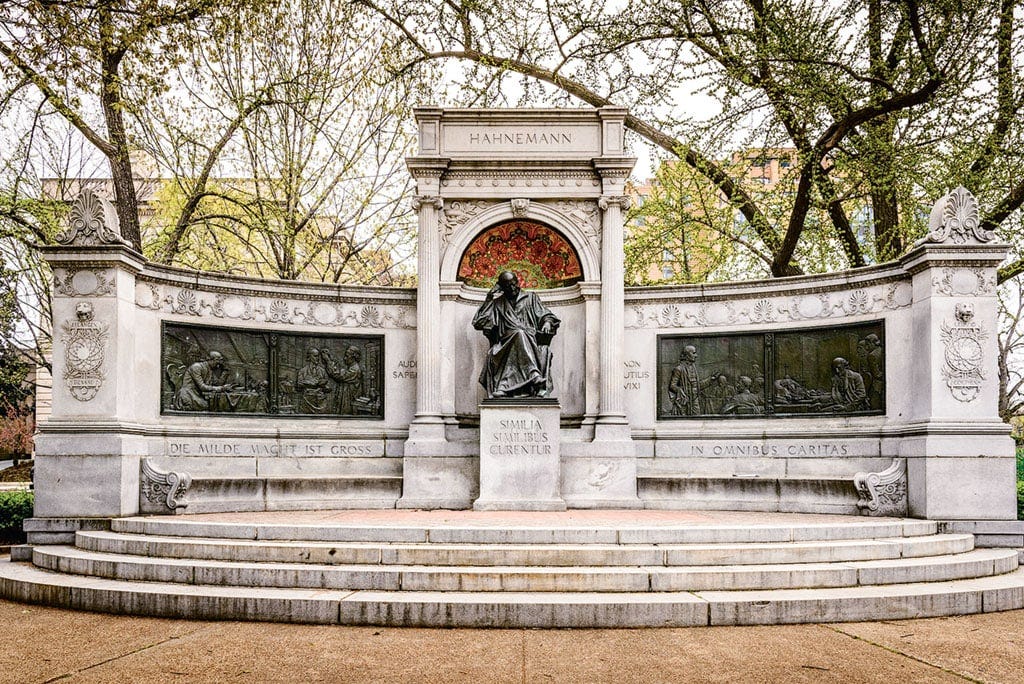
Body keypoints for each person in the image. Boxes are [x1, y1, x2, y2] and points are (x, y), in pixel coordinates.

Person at [472, 271, 560, 398]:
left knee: (520, 333)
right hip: (505, 343)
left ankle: (504, 386)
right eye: (508, 286)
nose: (512, 288)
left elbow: (546, 314)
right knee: (518, 333)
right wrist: (489, 297)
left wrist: (547, 322)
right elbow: (479, 322)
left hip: (530, 339)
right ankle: (534, 375)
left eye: (514, 284)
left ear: (518, 282)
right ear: (501, 287)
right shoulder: (497, 303)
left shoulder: (531, 298)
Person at [668, 345, 705, 415]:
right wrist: (680, 390)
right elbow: (672, 385)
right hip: (684, 402)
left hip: (694, 402)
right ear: (687, 355)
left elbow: (697, 385)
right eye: (694, 353)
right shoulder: (679, 369)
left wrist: (711, 379)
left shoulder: (694, 368)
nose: (696, 355)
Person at [296, 348, 330, 413]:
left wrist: (323, 385)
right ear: (309, 357)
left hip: (320, 402)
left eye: (318, 356)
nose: (317, 358)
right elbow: (298, 386)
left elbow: (328, 387)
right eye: (315, 356)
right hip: (307, 401)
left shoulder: (322, 371)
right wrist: (309, 383)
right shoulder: (303, 371)